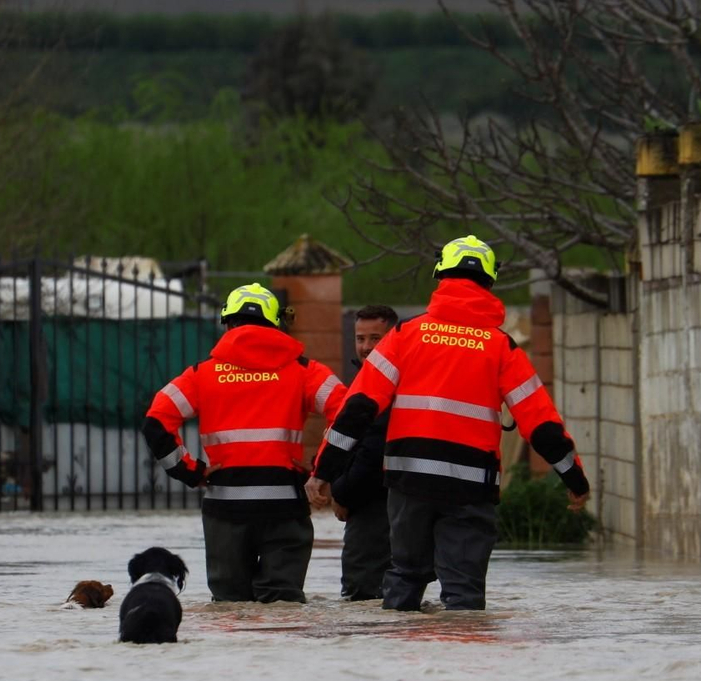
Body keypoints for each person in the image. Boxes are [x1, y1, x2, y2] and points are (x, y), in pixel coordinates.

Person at [307, 236, 589, 611]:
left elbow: (358, 409)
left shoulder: (405, 335)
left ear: (440, 277)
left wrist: (323, 471)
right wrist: (575, 480)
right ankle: (466, 665)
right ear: (489, 283)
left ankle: (399, 667)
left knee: (404, 580)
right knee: (464, 595)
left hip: (409, 486)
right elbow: (541, 425)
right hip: (470, 490)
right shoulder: (500, 347)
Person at [143, 283, 346, 603]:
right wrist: (322, 468)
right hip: (285, 506)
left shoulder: (201, 374)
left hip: (225, 508)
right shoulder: (304, 371)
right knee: (283, 605)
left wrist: (191, 471)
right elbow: (348, 414)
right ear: (275, 324)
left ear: (228, 323)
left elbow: (155, 423)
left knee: (230, 608)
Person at [331, 304, 398, 600]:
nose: (367, 347)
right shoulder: (362, 381)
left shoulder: (385, 386)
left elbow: (372, 449)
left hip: (374, 503)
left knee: (362, 593)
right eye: (360, 339)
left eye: (375, 339)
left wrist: (342, 492)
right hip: (385, 500)